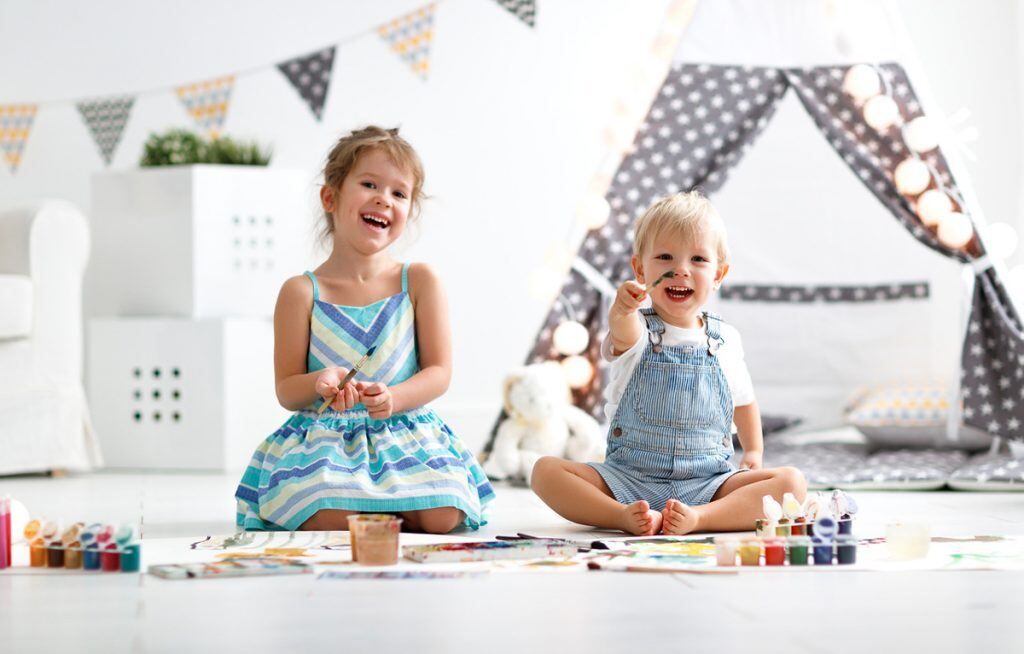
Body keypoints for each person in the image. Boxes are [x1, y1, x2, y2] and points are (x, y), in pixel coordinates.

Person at [235, 126, 494, 534]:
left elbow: (439, 372)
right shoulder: (301, 292)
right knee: (318, 511)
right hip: (327, 441)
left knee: (444, 515)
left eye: (398, 193)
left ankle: (379, 512)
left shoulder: (420, 281)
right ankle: (389, 513)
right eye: (369, 184)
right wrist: (321, 380)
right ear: (330, 197)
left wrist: (395, 397)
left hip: (406, 435)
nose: (383, 199)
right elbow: (286, 389)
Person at [531, 192, 806, 535]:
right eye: (664, 257)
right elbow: (622, 330)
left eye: (698, 259)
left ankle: (701, 519)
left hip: (706, 485)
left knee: (791, 483)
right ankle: (620, 516)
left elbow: (744, 402)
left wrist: (753, 450)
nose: (681, 270)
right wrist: (622, 309)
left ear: (719, 273)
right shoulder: (638, 329)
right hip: (628, 480)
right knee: (544, 471)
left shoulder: (725, 340)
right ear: (640, 269)